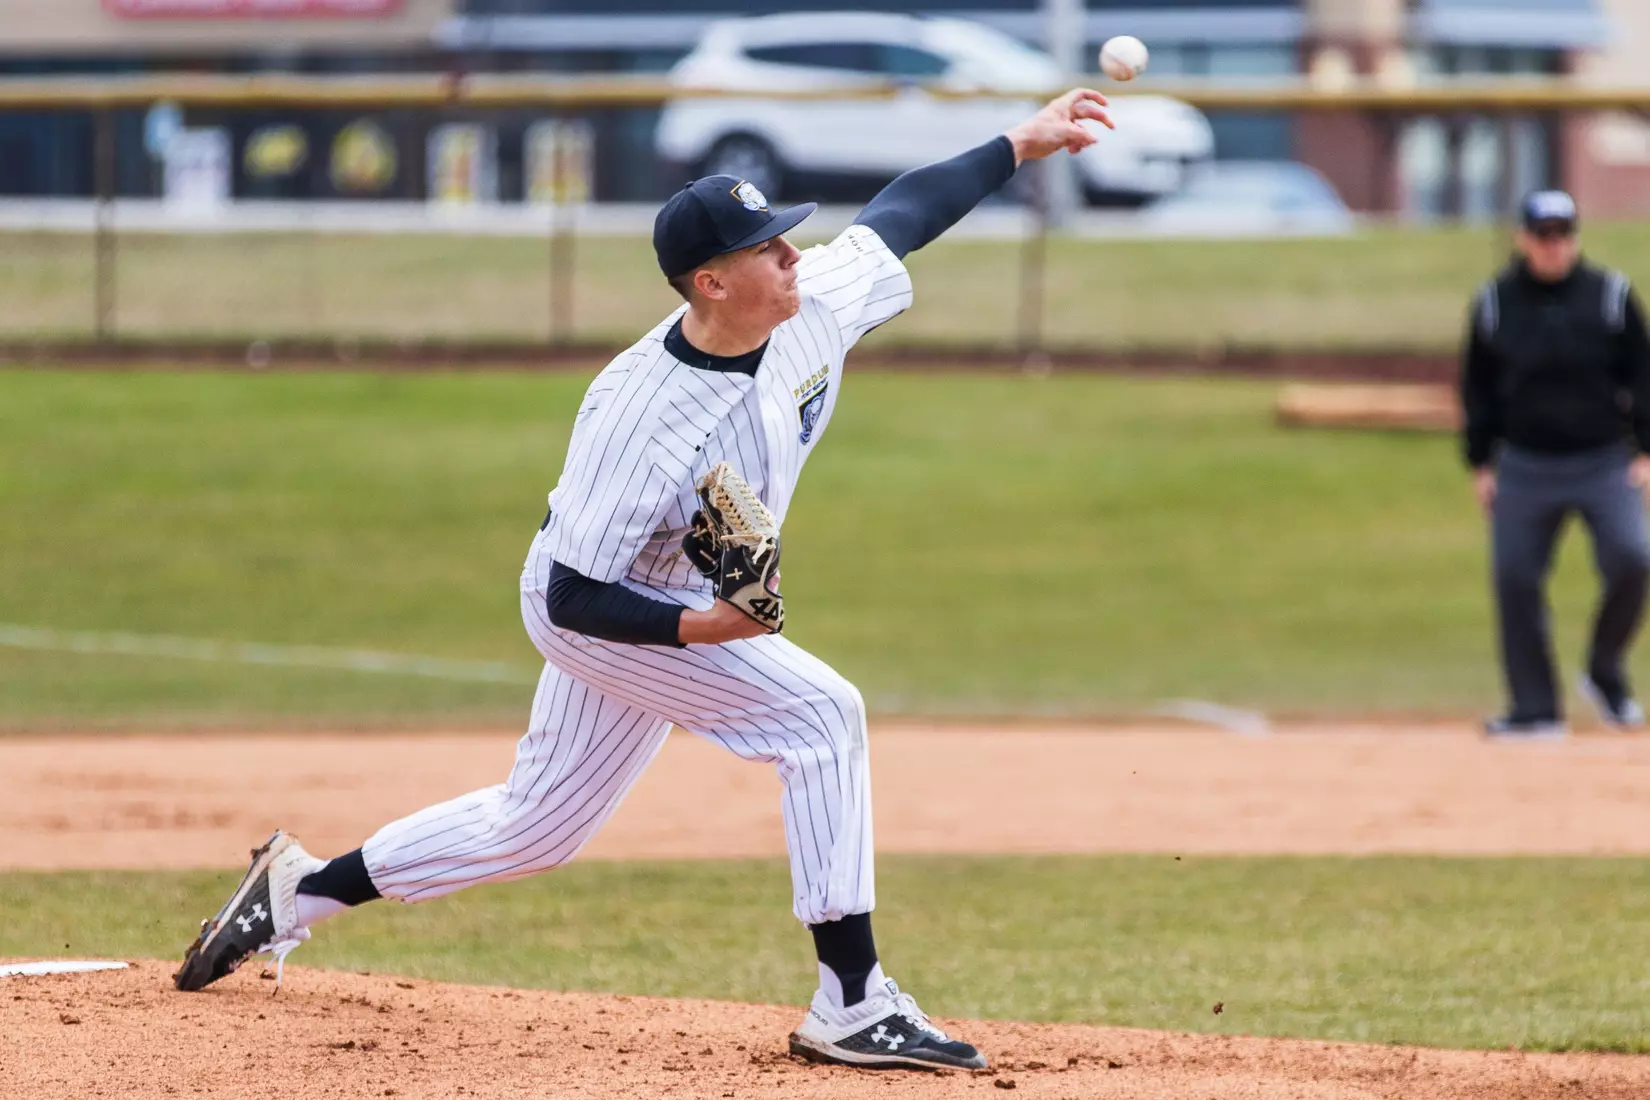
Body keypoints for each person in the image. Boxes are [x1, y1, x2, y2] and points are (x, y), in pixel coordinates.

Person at [172, 89, 1114, 1072]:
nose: (794, 254)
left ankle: (295, 892)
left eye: (786, 237)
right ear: (711, 282)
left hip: (665, 593)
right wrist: (706, 627)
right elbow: (575, 595)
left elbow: (902, 214)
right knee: (821, 715)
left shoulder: (809, 304)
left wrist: (1021, 140)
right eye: (768, 247)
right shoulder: (640, 415)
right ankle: (852, 1000)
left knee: (536, 827)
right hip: (599, 606)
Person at [1461, 189, 1650, 738]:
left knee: (1633, 557)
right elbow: (1477, 387)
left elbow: (1643, 375)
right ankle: (1535, 707)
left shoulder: (1610, 297)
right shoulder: (1495, 303)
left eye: (1563, 234)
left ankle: (1604, 670)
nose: (1553, 246)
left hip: (1603, 459)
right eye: (1543, 235)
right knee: (1515, 576)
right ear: (1523, 239)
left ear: (1575, 238)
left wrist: (1645, 449)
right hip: (1524, 463)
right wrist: (1480, 461)